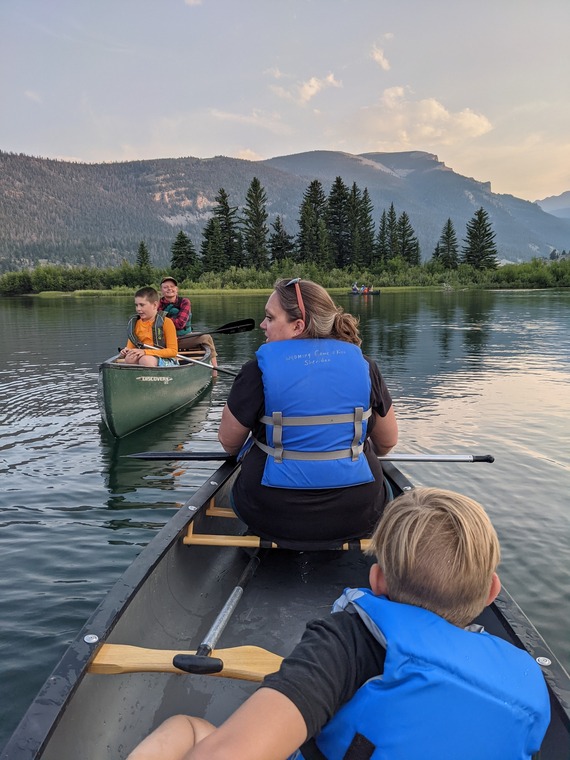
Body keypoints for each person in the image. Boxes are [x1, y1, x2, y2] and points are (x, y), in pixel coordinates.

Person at [126, 487, 550, 760]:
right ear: (492, 591)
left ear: (377, 580)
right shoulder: (527, 682)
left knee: (184, 729)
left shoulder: (347, 645)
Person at [217, 277, 398, 548]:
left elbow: (229, 444)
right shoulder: (365, 366)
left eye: (269, 318)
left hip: (270, 514)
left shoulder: (256, 371)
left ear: (298, 326)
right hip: (358, 514)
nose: (263, 326)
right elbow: (387, 442)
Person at [159, 276, 218, 368]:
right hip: (164, 341)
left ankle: (215, 369)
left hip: (182, 338)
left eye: (172, 286)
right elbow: (155, 324)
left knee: (206, 338)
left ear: (176, 289)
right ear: (161, 290)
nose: (169, 289)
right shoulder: (156, 304)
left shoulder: (185, 302)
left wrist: (164, 320)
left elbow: (180, 324)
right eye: (165, 287)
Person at [119, 286, 179, 366]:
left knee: (146, 360)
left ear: (154, 305)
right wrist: (126, 351)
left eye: (142, 305)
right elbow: (130, 347)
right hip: (145, 357)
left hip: (166, 359)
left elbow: (173, 351)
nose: (138, 309)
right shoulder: (135, 323)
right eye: (136, 305)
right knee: (130, 358)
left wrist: (145, 352)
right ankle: (139, 377)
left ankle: (153, 377)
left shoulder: (167, 322)